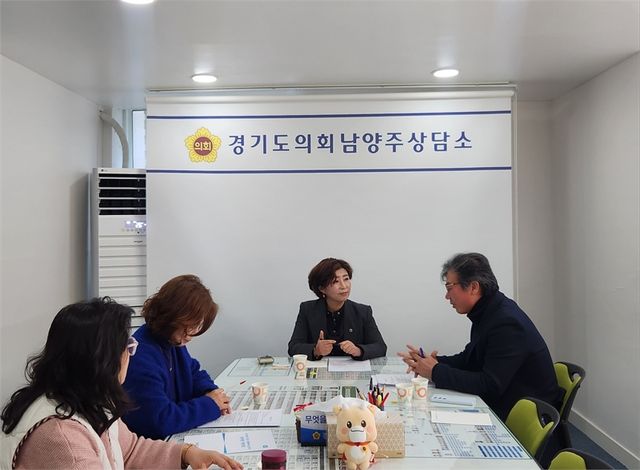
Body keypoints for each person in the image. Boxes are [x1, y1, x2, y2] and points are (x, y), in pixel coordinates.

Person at [0, 297, 242, 470]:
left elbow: (130, 450)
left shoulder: (87, 399)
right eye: (127, 347)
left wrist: (187, 453)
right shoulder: (63, 439)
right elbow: (158, 422)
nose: (130, 354)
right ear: (103, 360)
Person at [399, 252, 563, 421]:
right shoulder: (488, 311)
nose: (447, 296)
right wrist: (433, 362)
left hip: (525, 416)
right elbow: (470, 359)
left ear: (473, 287)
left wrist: (435, 371)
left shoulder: (506, 322)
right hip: (508, 403)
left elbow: (489, 385)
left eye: (449, 288)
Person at [122, 274, 231, 440]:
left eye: (197, 326)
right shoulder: (141, 356)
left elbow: (193, 372)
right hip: (151, 446)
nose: (191, 334)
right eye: (189, 326)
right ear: (171, 316)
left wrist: (210, 391)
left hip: (172, 438)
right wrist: (210, 404)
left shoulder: (170, 340)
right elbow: (160, 420)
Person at [288, 258, 387, 361]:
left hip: (352, 370)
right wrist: (316, 350)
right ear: (322, 288)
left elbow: (380, 347)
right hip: (320, 369)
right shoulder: (307, 310)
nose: (344, 286)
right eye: (336, 281)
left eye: (346, 279)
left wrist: (358, 350)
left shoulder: (363, 311)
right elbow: (293, 347)